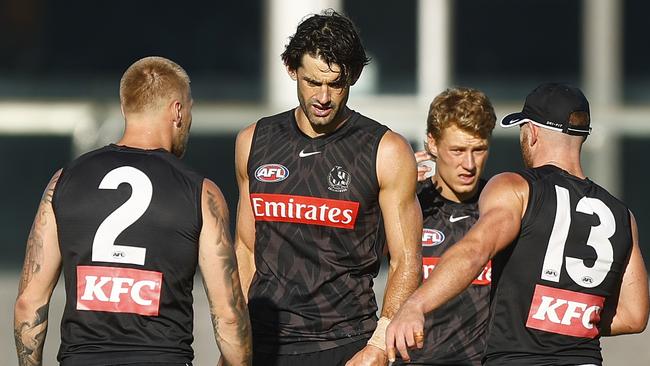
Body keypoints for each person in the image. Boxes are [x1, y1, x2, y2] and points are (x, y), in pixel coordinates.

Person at [386, 82, 650, 365]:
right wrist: (565, 317)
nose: (469, 163)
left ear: (532, 133)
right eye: (458, 150)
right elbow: (634, 317)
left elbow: (475, 250)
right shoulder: (622, 214)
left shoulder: (515, 189)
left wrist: (415, 304)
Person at [14, 56, 252, 366]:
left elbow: (28, 304)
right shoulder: (201, 193)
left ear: (125, 108)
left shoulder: (63, 181)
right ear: (178, 111)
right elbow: (229, 317)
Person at [234, 9, 422, 366]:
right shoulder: (253, 141)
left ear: (352, 77)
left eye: (335, 84)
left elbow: (406, 260)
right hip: (265, 343)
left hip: (345, 344)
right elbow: (245, 246)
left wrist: (380, 344)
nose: (323, 96)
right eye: (312, 82)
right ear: (292, 70)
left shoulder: (386, 150)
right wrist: (241, 333)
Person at [394, 87, 495, 365]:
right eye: (458, 150)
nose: (470, 164)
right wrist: (393, 190)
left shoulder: (501, 209)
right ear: (433, 144)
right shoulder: (409, 204)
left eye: (479, 150)